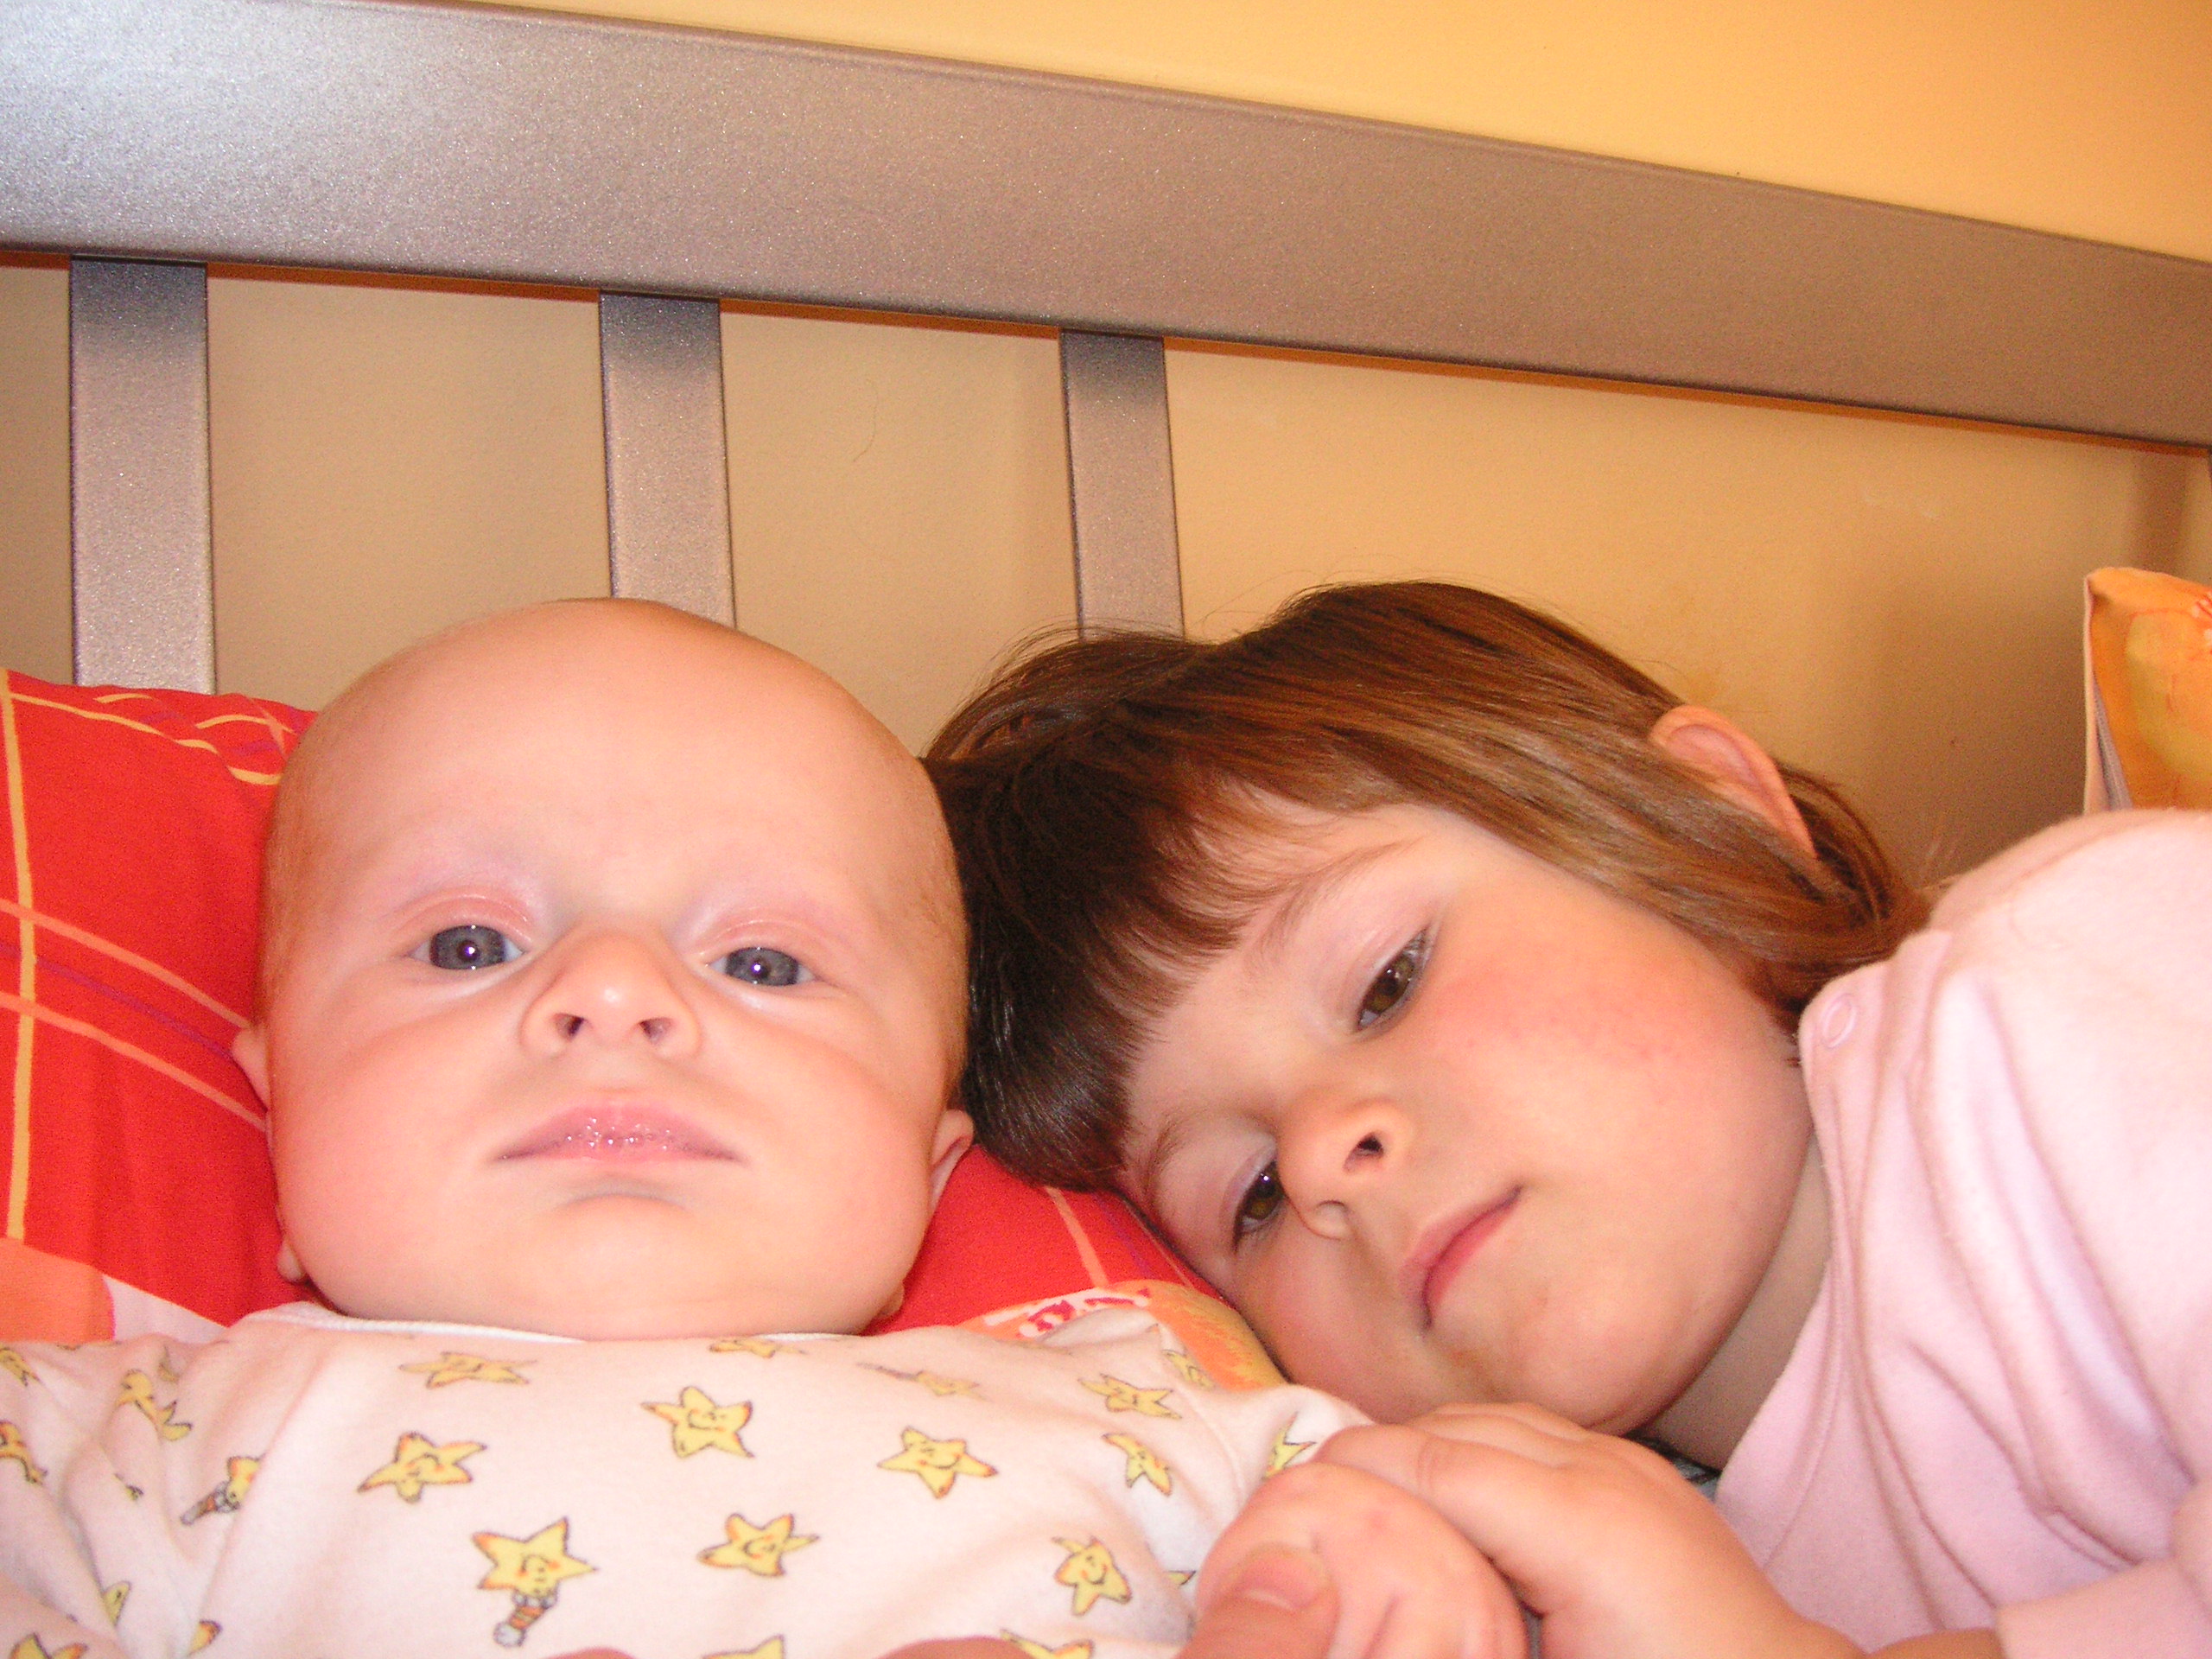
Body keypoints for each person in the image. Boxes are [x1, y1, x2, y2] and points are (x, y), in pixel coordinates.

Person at [0, 601, 1515, 1659]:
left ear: (929, 1168)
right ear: (277, 1108)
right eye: (469, 943)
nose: (613, 994)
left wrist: (1392, 1578)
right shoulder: (111, 1441)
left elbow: (1447, 1558)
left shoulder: (1158, 1406)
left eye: (765, 963)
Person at [926, 579, 2212, 1659]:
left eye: (1387, 983)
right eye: (1251, 1196)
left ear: (1714, 821)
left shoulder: (2057, 992)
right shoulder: (1600, 1575)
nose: (1321, 1160)